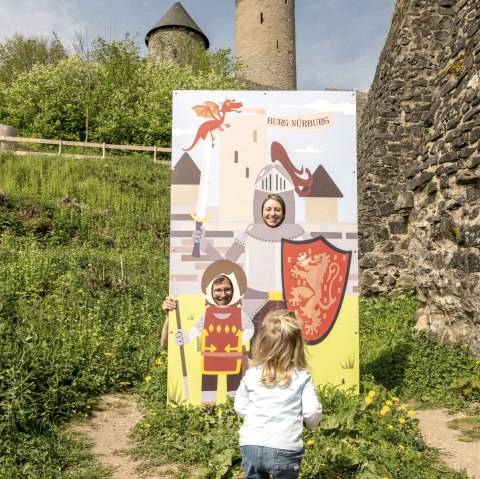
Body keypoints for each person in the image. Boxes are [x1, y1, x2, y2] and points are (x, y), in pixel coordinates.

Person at [234, 309, 322, 479]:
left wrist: (256, 417)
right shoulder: (302, 378)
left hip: (250, 444)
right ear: (297, 346)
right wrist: (310, 424)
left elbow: (239, 406)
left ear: (261, 343)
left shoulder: (252, 374)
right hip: (285, 447)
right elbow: (312, 412)